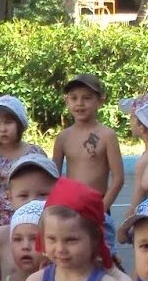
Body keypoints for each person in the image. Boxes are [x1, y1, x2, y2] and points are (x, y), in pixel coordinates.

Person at [52, 74, 124, 212]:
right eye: (74, 98)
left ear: (100, 101)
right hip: (69, 205)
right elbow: (53, 177)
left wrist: (102, 208)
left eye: (87, 98)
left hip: (97, 204)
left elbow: (118, 178)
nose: (79, 103)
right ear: (66, 101)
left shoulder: (107, 135)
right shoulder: (63, 137)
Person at [0, 95, 43, 233]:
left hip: (29, 217)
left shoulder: (34, 153)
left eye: (8, 122)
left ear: (20, 123)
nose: (2, 129)